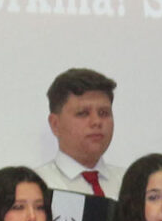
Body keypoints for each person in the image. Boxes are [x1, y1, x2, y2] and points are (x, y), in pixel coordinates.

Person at [35, 67, 120, 201]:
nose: (96, 122)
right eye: (83, 113)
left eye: (103, 113)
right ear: (55, 124)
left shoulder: (135, 186)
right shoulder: (36, 189)